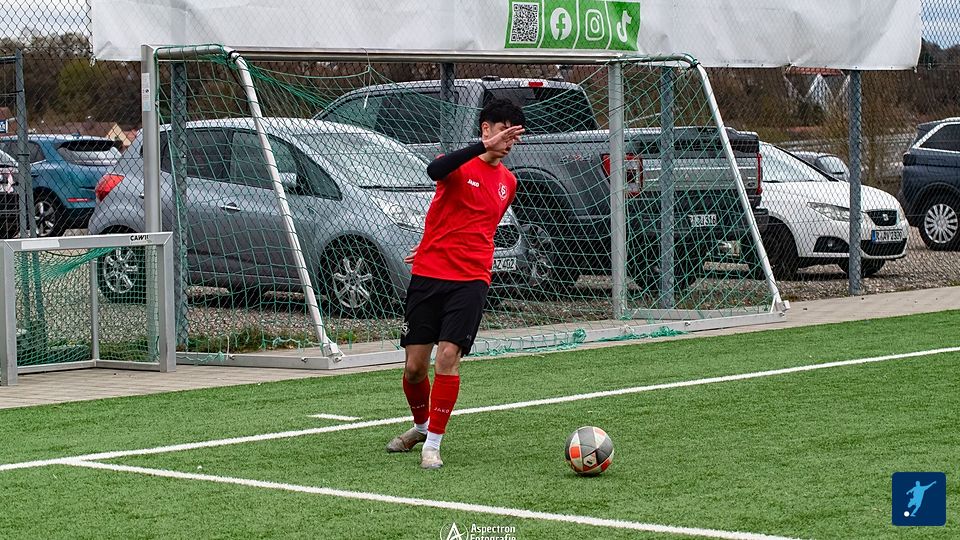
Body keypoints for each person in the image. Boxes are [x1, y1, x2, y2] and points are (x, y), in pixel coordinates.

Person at [386, 99, 525, 469]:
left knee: (448, 357)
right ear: (486, 129)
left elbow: (479, 226)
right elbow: (434, 170)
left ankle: (433, 444)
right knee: (414, 368)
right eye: (504, 131)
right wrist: (432, 242)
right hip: (429, 274)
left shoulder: (508, 183)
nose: (509, 141)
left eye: (515, 136)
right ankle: (420, 427)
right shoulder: (459, 164)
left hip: (471, 279)